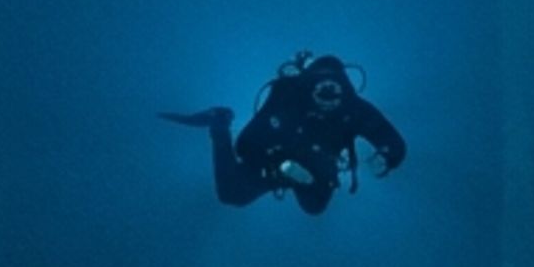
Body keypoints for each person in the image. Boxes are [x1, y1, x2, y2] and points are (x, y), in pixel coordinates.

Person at [163, 53, 404, 214]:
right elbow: (247, 144)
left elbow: (391, 139)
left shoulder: (353, 109)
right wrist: (276, 164)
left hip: (307, 168)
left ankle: (220, 125)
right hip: (275, 163)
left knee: (313, 206)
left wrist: (387, 156)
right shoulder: (288, 96)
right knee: (233, 194)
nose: (327, 96)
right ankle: (220, 123)